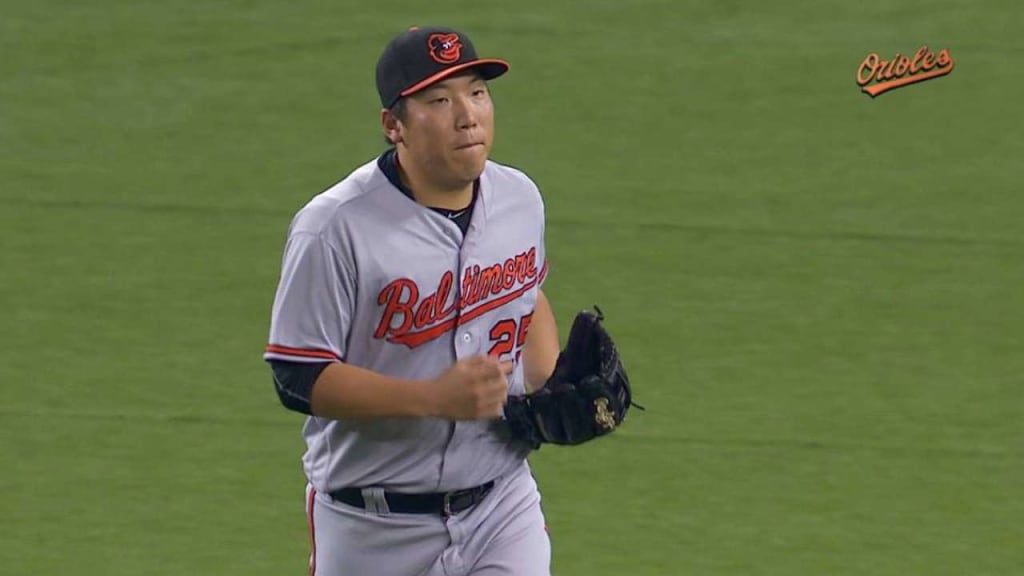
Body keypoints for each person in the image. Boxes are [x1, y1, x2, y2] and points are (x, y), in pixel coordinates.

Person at [264, 25, 560, 576]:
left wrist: (547, 385)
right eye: (438, 100)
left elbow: (527, 293)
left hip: (501, 505)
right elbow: (297, 376)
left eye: (476, 92)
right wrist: (432, 398)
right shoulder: (333, 228)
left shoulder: (520, 198)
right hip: (372, 526)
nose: (467, 115)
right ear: (392, 125)